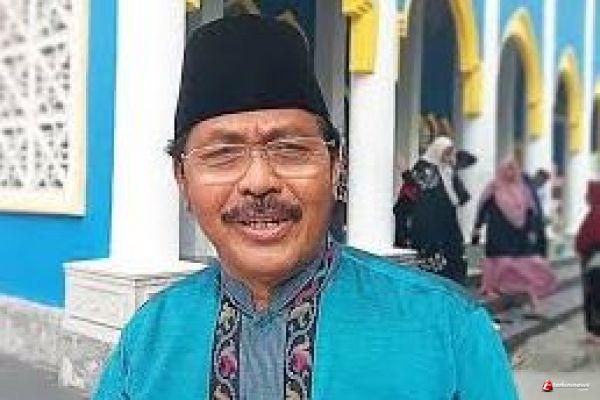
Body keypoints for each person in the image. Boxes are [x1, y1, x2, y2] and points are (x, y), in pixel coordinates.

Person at [93, 15, 517, 399]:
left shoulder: (448, 330)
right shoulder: (147, 343)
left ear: (336, 167)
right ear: (183, 180)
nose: (259, 182)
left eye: (290, 149)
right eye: (223, 154)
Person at [472, 159, 557, 313]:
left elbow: (531, 212)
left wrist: (532, 231)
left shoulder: (523, 189)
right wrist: (477, 228)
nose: (511, 173)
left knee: (527, 269)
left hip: (519, 237)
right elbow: (482, 209)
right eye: (508, 169)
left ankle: (534, 306)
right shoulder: (493, 187)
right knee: (499, 269)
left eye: (514, 169)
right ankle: (496, 306)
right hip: (498, 234)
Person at [405, 136, 470, 284]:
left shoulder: (448, 170)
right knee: (434, 264)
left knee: (455, 259)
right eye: (446, 152)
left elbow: (460, 197)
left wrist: (451, 168)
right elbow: (419, 186)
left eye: (450, 152)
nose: (449, 156)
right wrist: (406, 173)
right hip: (430, 221)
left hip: (448, 222)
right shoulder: (424, 166)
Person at [575, 181, 600, 343]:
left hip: (594, 263)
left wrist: (581, 250)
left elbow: (585, 240)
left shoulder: (595, 215)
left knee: (593, 295)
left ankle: (595, 331)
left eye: (588, 194)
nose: (586, 197)